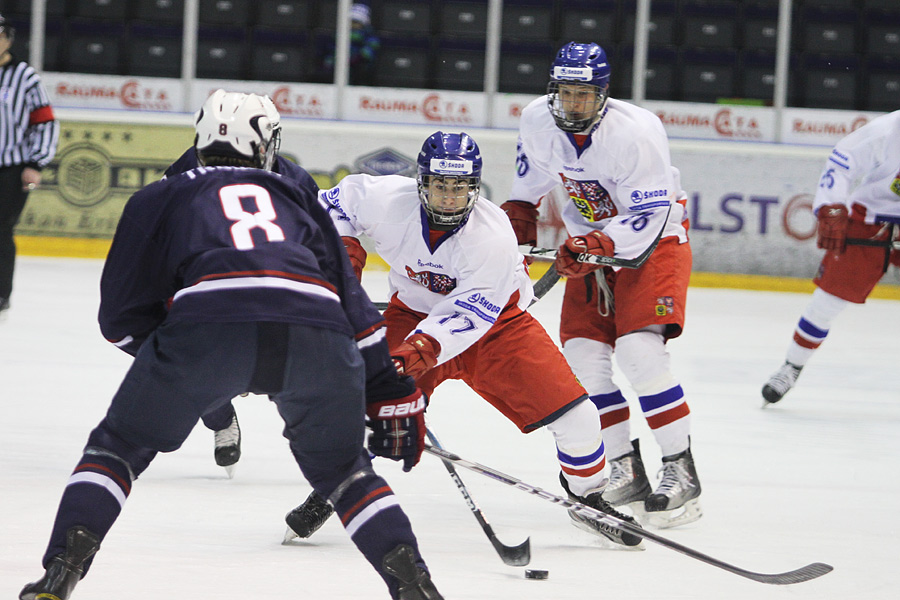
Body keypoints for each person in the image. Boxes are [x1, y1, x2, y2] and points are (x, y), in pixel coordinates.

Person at [19, 90, 443, 600]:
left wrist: (178, 357)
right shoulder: (297, 193)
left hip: (208, 326)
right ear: (264, 143)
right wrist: (384, 386)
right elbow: (352, 303)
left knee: (117, 449)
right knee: (347, 473)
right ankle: (414, 585)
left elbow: (119, 316)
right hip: (316, 332)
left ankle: (60, 571)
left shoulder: (159, 196)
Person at [286, 130, 644, 548]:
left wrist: (416, 353)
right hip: (413, 314)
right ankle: (337, 486)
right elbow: (331, 206)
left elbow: (469, 316)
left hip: (497, 327)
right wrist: (343, 251)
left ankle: (588, 497)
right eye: (440, 186)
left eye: (460, 187)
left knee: (579, 419)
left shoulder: (491, 237)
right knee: (370, 410)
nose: (449, 198)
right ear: (423, 182)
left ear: (475, 187)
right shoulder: (383, 199)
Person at [501, 42, 700, 529]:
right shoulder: (536, 119)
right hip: (590, 250)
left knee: (639, 353)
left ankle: (680, 469)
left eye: (583, 95)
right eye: (564, 93)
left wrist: (595, 242)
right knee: (584, 362)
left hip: (653, 243)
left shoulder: (636, 134)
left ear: (603, 95)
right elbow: (531, 180)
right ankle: (625, 469)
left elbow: (650, 216)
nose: (572, 104)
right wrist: (519, 215)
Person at [163, 91, 320, 476]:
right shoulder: (180, 176)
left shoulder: (296, 183)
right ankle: (220, 418)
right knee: (191, 365)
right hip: (209, 291)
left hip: (273, 294)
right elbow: (166, 247)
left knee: (295, 378)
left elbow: (317, 253)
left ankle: (314, 444)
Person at [762, 110, 900, 405]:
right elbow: (842, 160)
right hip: (872, 219)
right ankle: (791, 367)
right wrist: (832, 206)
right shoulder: (887, 131)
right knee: (828, 302)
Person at [0, 13, 59, 316]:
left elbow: (45, 122)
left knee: (1, 229)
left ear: (8, 39)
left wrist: (36, 162)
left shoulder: (24, 76)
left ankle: (1, 294)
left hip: (10, 168)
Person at [317, 2, 380, 86]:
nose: (353, 24)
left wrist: (360, 56)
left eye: (356, 22)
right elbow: (332, 48)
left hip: (358, 65)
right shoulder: (339, 34)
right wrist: (330, 60)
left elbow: (371, 48)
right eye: (351, 21)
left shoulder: (368, 35)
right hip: (338, 65)